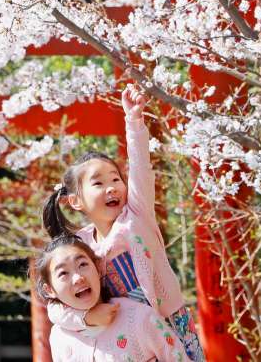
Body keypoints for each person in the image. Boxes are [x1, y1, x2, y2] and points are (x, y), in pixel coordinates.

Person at [41, 89, 203, 360]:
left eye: (115, 179)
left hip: (170, 323)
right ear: (76, 201)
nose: (112, 188)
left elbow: (141, 169)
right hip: (124, 336)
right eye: (98, 183)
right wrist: (86, 318)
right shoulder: (80, 248)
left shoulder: (136, 217)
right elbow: (55, 306)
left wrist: (135, 122)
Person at [32, 235, 188, 362]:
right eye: (63, 273)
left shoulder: (140, 318)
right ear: (49, 290)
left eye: (82, 264)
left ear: (99, 268)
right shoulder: (59, 337)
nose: (78, 278)